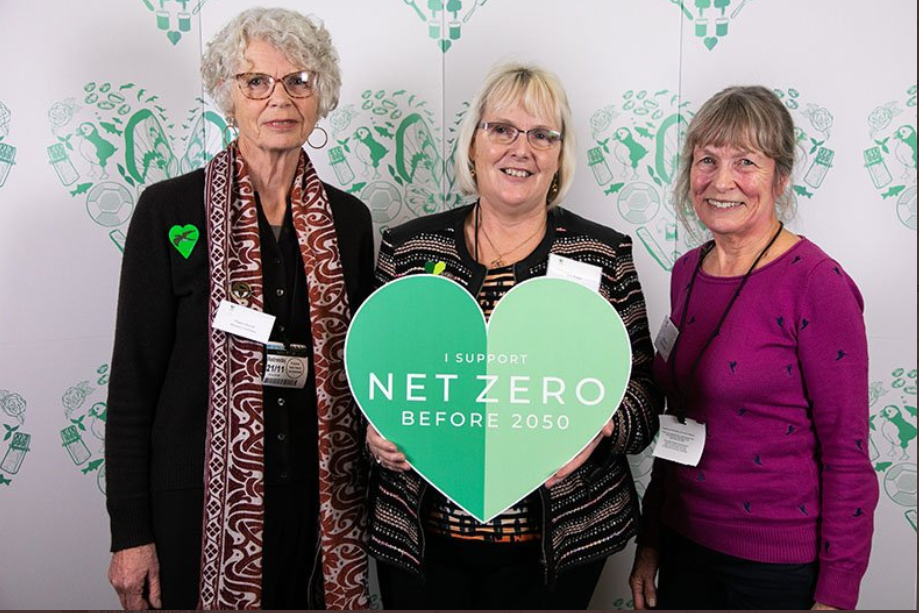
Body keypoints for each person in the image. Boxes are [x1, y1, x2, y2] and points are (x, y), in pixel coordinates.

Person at [365, 62, 662, 609]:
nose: (519, 149)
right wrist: (374, 433)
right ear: (473, 145)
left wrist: (602, 428)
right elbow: (373, 375)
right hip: (422, 543)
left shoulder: (603, 254)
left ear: (558, 156)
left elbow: (643, 391)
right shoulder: (408, 249)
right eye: (501, 129)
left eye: (541, 134)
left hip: (558, 546)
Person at [104, 8, 374, 610]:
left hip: (318, 503)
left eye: (298, 80)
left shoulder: (350, 221)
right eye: (256, 81)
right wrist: (130, 532)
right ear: (228, 95)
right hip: (194, 503)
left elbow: (363, 372)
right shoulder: (169, 211)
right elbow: (132, 385)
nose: (279, 98)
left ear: (320, 94)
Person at [628, 85, 879, 610]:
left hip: (776, 565)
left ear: (780, 177)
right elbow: (680, 420)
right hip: (685, 542)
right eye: (707, 160)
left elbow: (847, 454)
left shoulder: (817, 284)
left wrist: (836, 596)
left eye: (746, 162)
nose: (722, 182)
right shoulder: (687, 272)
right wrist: (651, 540)